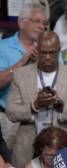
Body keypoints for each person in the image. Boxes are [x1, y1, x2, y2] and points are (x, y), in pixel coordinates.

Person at [6, 31, 67, 168]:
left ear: (59, 49)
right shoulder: (20, 75)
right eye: (43, 53)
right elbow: (11, 112)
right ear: (37, 50)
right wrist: (35, 105)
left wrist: (60, 105)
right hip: (28, 149)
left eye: (52, 53)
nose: (48, 57)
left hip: (64, 148)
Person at [0, 3, 46, 149]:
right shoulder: (3, 47)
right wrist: (23, 62)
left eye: (44, 23)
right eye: (37, 21)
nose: (42, 26)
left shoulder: (49, 49)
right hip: (10, 121)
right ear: (22, 23)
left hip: (42, 119)